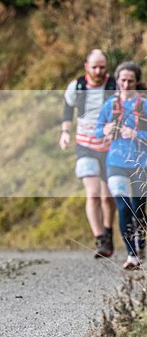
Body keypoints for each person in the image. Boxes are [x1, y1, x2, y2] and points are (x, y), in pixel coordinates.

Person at [60, 49, 117, 258]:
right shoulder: (77, 86)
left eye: (102, 67)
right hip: (85, 145)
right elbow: (67, 110)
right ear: (86, 66)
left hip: (110, 146)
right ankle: (100, 239)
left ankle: (109, 232)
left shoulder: (115, 86)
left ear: (107, 67)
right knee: (92, 193)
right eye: (94, 67)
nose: (98, 71)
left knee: (107, 196)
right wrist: (65, 132)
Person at [95, 61, 147, 270]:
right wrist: (105, 130)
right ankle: (131, 254)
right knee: (123, 206)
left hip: (140, 163)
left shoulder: (144, 105)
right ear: (117, 81)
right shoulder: (110, 105)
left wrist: (136, 134)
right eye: (122, 80)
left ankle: (140, 244)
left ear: (136, 82)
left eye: (130, 81)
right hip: (115, 162)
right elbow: (98, 132)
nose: (126, 84)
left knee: (139, 209)